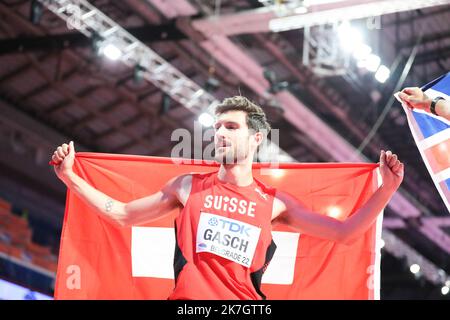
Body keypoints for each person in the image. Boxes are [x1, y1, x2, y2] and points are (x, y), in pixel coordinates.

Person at [50, 96, 404, 300]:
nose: (220, 134)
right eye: (217, 128)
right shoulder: (186, 187)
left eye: (231, 128)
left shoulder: (275, 202)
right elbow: (123, 214)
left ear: (255, 139)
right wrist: (70, 177)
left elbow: (344, 233)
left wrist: (386, 189)